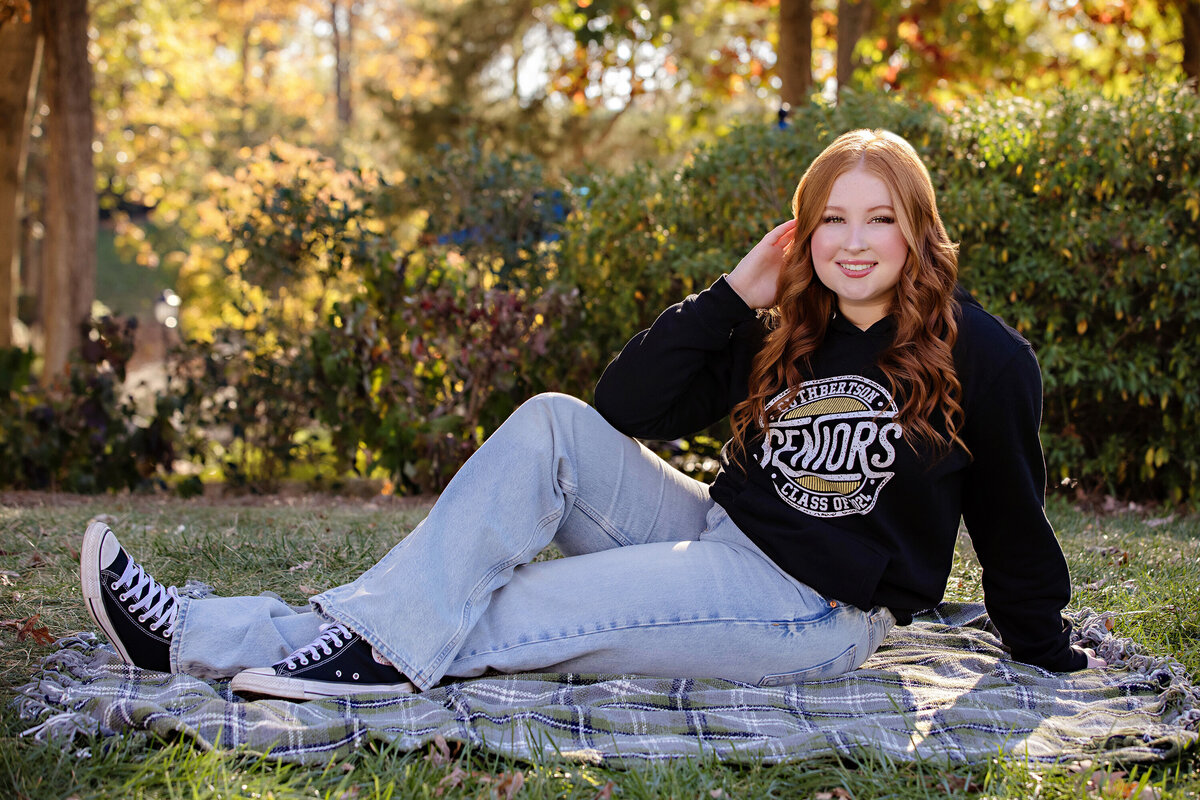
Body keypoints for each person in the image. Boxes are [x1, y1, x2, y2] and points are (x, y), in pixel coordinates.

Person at [79, 129, 1105, 702]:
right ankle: (314, 639)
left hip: (811, 614)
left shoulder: (987, 357)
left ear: (919, 227)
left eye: (880, 216)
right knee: (551, 424)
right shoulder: (787, 323)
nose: (853, 238)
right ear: (804, 232)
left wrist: (1041, 642)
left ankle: (205, 636)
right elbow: (624, 408)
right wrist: (732, 296)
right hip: (717, 533)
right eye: (831, 215)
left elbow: (1013, 522)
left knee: (500, 612)